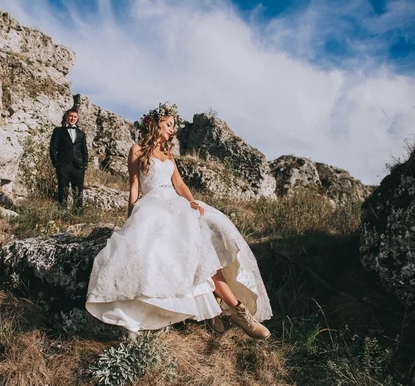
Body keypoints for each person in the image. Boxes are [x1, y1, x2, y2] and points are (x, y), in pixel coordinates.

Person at [85, 102, 272, 338]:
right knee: (183, 251)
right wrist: (131, 219)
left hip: (176, 204)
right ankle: (224, 310)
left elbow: (180, 185)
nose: (173, 129)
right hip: (152, 205)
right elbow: (134, 186)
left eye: (174, 125)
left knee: (208, 245)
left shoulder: (168, 155)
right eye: (169, 124)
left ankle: (237, 311)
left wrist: (192, 202)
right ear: (155, 124)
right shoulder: (137, 150)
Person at [49, 108, 89, 211]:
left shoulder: (81, 134)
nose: (72, 118)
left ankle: (78, 213)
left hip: (78, 166)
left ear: (77, 118)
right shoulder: (58, 131)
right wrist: (56, 163)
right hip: (63, 166)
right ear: (67, 117)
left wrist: (84, 165)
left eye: (74, 117)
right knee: (63, 190)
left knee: (78, 191)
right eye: (70, 116)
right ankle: (62, 213)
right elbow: (53, 148)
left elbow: (84, 151)